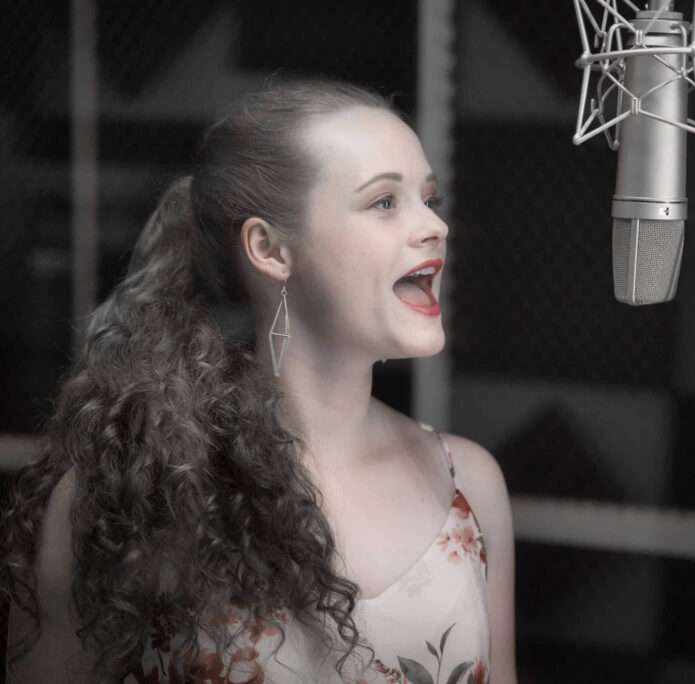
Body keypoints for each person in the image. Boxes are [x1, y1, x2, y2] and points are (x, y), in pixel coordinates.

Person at [1, 81, 516, 683]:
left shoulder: (470, 484)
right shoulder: (131, 492)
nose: (435, 227)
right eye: (384, 202)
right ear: (269, 249)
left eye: (429, 199)